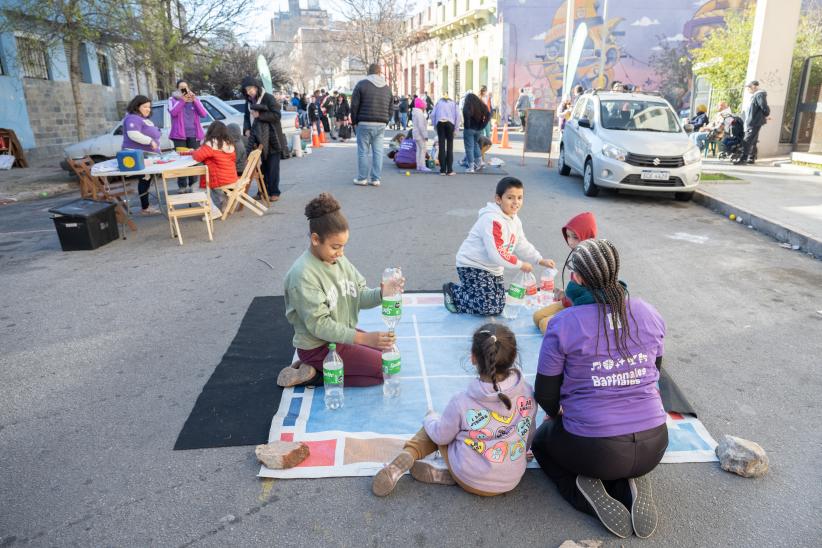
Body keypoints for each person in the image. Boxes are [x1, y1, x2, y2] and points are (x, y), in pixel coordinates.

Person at [531, 239, 667, 539]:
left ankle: (585, 493)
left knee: (541, 443)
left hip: (593, 449)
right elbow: (655, 371)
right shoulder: (647, 311)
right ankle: (628, 480)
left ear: (577, 278)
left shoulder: (564, 322)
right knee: (611, 451)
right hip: (655, 442)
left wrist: (557, 416)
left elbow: (545, 393)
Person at [372, 323, 537, 497]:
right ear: (514, 356)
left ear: (473, 358)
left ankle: (410, 455)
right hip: (510, 479)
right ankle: (447, 473)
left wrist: (430, 418)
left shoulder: (461, 402)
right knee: (457, 431)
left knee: (435, 428)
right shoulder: (528, 392)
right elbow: (528, 431)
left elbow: (441, 436)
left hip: (470, 477)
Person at [279, 193, 400, 387]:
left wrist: (382, 293)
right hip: (318, 346)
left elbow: (359, 295)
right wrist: (363, 338)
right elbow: (320, 325)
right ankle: (317, 374)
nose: (341, 253)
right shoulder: (302, 275)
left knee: (390, 353)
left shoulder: (338, 259)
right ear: (315, 239)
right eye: (335, 246)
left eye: (343, 246)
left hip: (339, 337)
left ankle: (316, 367)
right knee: (385, 368)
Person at [443, 177, 555, 315]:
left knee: (500, 306)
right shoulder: (492, 220)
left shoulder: (515, 220)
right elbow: (497, 253)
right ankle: (454, 292)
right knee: (488, 307)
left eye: (520, 198)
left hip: (493, 268)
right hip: (472, 265)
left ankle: (472, 291)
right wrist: (520, 264)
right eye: (510, 197)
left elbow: (521, 243)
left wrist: (539, 260)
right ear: (498, 199)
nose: (516, 202)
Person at [532, 212, 598, 333]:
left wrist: (568, 297)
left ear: (588, 237)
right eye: (568, 236)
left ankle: (572, 339)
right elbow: (576, 288)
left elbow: (589, 299)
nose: (570, 242)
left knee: (545, 325)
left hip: (582, 309)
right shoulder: (578, 254)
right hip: (571, 301)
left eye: (575, 237)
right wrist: (565, 294)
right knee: (537, 317)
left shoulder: (593, 262)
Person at [351, 63, 393, 187]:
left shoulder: (361, 85)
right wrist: (386, 120)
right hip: (380, 123)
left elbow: (354, 106)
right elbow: (391, 108)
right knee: (378, 152)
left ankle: (362, 178)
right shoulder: (387, 88)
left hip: (363, 123)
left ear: (368, 72)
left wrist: (354, 122)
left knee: (363, 151)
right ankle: (375, 179)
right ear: (380, 73)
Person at [121, 95, 161, 215]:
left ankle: (146, 206)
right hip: (139, 156)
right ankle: (145, 208)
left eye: (149, 107)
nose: (148, 109)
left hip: (146, 155)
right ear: (137, 106)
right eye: (145, 106)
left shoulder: (141, 118)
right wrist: (150, 141)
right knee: (144, 179)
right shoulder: (132, 118)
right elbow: (133, 134)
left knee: (146, 180)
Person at [189, 121, 237, 218]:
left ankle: (213, 211)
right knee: (211, 184)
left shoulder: (211, 144)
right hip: (231, 177)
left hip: (219, 179)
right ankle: (224, 200)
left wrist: (198, 148)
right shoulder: (228, 143)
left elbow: (197, 157)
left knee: (195, 188)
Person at [168, 80, 207, 193]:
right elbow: (173, 112)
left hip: (193, 134)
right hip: (179, 136)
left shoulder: (194, 99)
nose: (184, 90)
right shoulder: (172, 99)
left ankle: (193, 185)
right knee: (181, 160)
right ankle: (182, 186)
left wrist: (194, 100)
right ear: (177, 89)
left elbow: (204, 114)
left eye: (186, 87)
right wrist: (182, 101)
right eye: (181, 88)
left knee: (193, 160)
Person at [246, 103, 283, 202]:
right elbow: (252, 138)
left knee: (273, 171)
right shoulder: (256, 122)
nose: (252, 114)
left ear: (258, 112)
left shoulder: (266, 120)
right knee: (263, 170)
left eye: (253, 112)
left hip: (273, 148)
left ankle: (275, 193)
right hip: (264, 149)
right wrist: (247, 154)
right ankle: (263, 192)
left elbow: (268, 137)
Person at [736, 80, 770, 165]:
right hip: (753, 121)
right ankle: (751, 157)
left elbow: (763, 106)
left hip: (754, 122)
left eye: (748, 88)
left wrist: (766, 114)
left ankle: (743, 158)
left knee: (747, 140)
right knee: (753, 140)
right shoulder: (756, 95)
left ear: (753, 87)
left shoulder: (759, 94)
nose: (748, 90)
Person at [431, 95, 460, 176]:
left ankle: (442, 170)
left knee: (441, 146)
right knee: (450, 147)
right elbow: (458, 116)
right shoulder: (453, 104)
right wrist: (456, 129)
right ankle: (450, 170)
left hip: (440, 123)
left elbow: (433, 115)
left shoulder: (438, 103)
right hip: (450, 123)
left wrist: (435, 125)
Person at [462, 93, 491, 173]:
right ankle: (480, 162)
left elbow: (466, 119)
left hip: (469, 129)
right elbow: (488, 115)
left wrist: (467, 126)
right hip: (478, 129)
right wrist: (482, 125)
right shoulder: (481, 106)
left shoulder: (467, 107)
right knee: (475, 145)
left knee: (469, 147)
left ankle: (471, 167)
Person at [411, 97, 430, 172]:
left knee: (419, 150)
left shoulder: (416, 112)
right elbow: (421, 126)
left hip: (416, 134)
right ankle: (422, 166)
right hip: (420, 135)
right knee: (423, 150)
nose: (425, 108)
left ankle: (419, 165)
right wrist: (425, 136)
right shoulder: (419, 114)